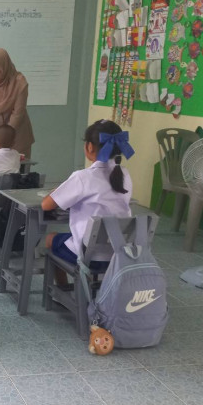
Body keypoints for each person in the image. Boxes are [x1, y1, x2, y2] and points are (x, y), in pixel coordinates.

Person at [41, 119, 135, 284]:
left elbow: (46, 205)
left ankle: (63, 290)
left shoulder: (82, 177)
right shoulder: (125, 175)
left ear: (89, 147)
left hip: (89, 256)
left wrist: (59, 189)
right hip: (118, 254)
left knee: (51, 239)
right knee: (85, 238)